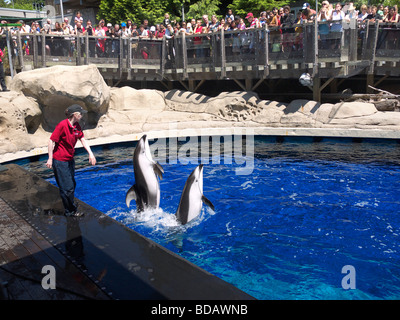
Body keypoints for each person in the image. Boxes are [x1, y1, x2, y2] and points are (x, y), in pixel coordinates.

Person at [46, 104, 96, 217]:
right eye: (81, 113)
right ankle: (70, 212)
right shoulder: (62, 125)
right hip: (60, 161)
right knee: (67, 188)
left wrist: (91, 154)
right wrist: (50, 158)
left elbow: (82, 139)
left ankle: (70, 205)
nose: (82, 115)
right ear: (75, 114)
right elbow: (51, 141)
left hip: (69, 160)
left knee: (71, 185)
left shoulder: (77, 126)